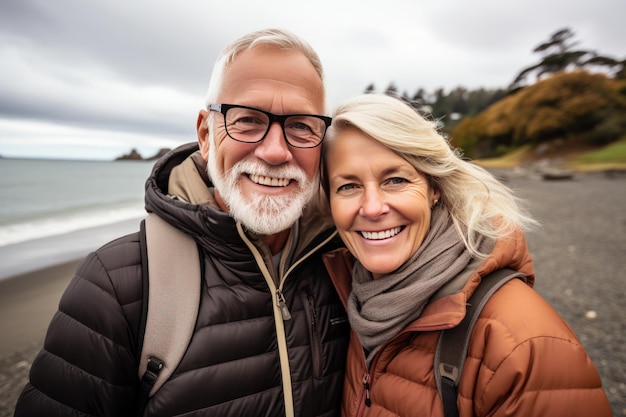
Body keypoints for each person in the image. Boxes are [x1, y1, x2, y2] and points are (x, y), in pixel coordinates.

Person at [14, 28, 349, 417]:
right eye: (247, 120)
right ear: (206, 134)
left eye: (301, 126)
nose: (275, 151)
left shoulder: (347, 260)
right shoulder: (114, 286)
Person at [320, 93, 612, 417]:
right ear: (329, 201)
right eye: (348, 186)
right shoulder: (348, 296)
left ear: (434, 188)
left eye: (396, 180)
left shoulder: (521, 342)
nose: (373, 207)